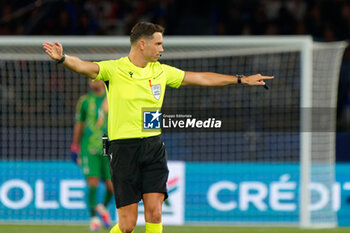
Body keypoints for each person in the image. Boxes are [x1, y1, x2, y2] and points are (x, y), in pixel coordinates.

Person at [43, 21, 273, 233]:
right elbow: (84, 67)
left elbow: (201, 78)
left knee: (155, 212)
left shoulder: (162, 71)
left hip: (153, 146)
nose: (162, 49)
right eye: (159, 43)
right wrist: (63, 58)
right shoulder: (114, 69)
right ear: (142, 44)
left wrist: (240, 79)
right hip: (123, 149)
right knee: (126, 226)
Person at [71, 80, 113, 231]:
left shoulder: (112, 98)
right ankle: (94, 218)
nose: (93, 81)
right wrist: (75, 146)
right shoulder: (85, 101)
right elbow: (79, 124)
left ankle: (103, 207)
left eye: (96, 78)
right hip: (89, 146)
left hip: (107, 144)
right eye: (90, 79)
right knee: (93, 182)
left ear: (103, 81)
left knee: (112, 185)